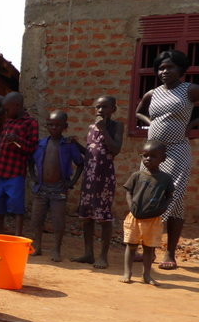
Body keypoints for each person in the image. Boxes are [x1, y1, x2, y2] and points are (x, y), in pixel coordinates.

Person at [135, 49, 199, 270]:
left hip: (177, 151)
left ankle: (169, 252)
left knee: (173, 199)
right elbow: (139, 112)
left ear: (180, 69)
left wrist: (190, 126)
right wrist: (150, 123)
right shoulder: (152, 94)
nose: (164, 71)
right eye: (161, 67)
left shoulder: (190, 90)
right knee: (148, 197)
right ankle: (148, 249)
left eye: (170, 66)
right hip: (153, 154)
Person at [71, 96, 124, 269]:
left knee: (104, 218)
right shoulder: (91, 127)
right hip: (90, 177)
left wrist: (104, 130)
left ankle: (103, 256)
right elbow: (90, 153)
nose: (101, 110)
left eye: (105, 107)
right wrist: (76, 145)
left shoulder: (116, 126)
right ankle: (88, 253)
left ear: (113, 109)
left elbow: (115, 149)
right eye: (98, 107)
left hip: (104, 177)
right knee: (87, 217)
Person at [29, 111, 84, 261]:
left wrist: (72, 182)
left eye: (58, 125)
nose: (54, 128)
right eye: (51, 124)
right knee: (36, 219)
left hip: (59, 188)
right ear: (47, 125)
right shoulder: (41, 144)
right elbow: (30, 159)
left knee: (58, 221)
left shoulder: (68, 145)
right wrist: (33, 176)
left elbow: (80, 163)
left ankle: (56, 250)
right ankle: (38, 247)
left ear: (65, 126)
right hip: (41, 187)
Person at [0, 92, 38, 237]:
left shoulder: (31, 122)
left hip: (15, 172)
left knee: (16, 205)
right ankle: (0, 231)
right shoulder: (7, 122)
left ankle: (18, 235)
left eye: (7, 110)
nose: (5, 113)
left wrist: (17, 140)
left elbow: (32, 147)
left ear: (18, 106)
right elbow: (2, 143)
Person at [120, 141, 173, 286]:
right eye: (145, 155)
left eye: (153, 156)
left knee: (149, 248)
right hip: (134, 218)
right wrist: (131, 206)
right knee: (131, 246)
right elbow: (129, 192)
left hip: (153, 219)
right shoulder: (137, 175)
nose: (148, 159)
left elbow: (169, 196)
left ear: (163, 158)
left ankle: (146, 275)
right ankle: (127, 272)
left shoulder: (166, 179)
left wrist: (162, 209)